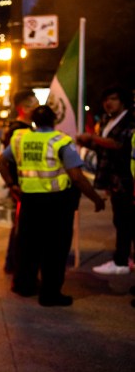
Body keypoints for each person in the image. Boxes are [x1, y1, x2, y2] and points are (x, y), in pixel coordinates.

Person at [0, 105, 105, 307]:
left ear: (35, 122)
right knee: (55, 249)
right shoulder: (60, 141)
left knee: (29, 246)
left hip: (29, 201)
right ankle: (50, 294)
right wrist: (96, 199)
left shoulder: (21, 138)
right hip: (56, 203)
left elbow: (1, 161)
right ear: (54, 120)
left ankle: (24, 286)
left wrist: (12, 184)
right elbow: (77, 178)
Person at [77, 85, 134, 276]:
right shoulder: (106, 121)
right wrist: (88, 141)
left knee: (124, 221)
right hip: (114, 179)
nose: (108, 103)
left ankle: (121, 261)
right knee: (122, 220)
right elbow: (103, 147)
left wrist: (93, 137)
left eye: (113, 99)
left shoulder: (129, 120)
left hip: (126, 179)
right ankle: (124, 257)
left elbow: (120, 144)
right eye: (106, 100)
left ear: (122, 100)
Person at [0, 90, 39, 274]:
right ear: (23, 108)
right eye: (35, 105)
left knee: (21, 226)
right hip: (20, 185)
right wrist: (11, 183)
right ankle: (15, 263)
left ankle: (14, 262)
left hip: (25, 184)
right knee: (21, 227)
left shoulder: (28, 128)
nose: (39, 109)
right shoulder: (17, 129)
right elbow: (4, 160)